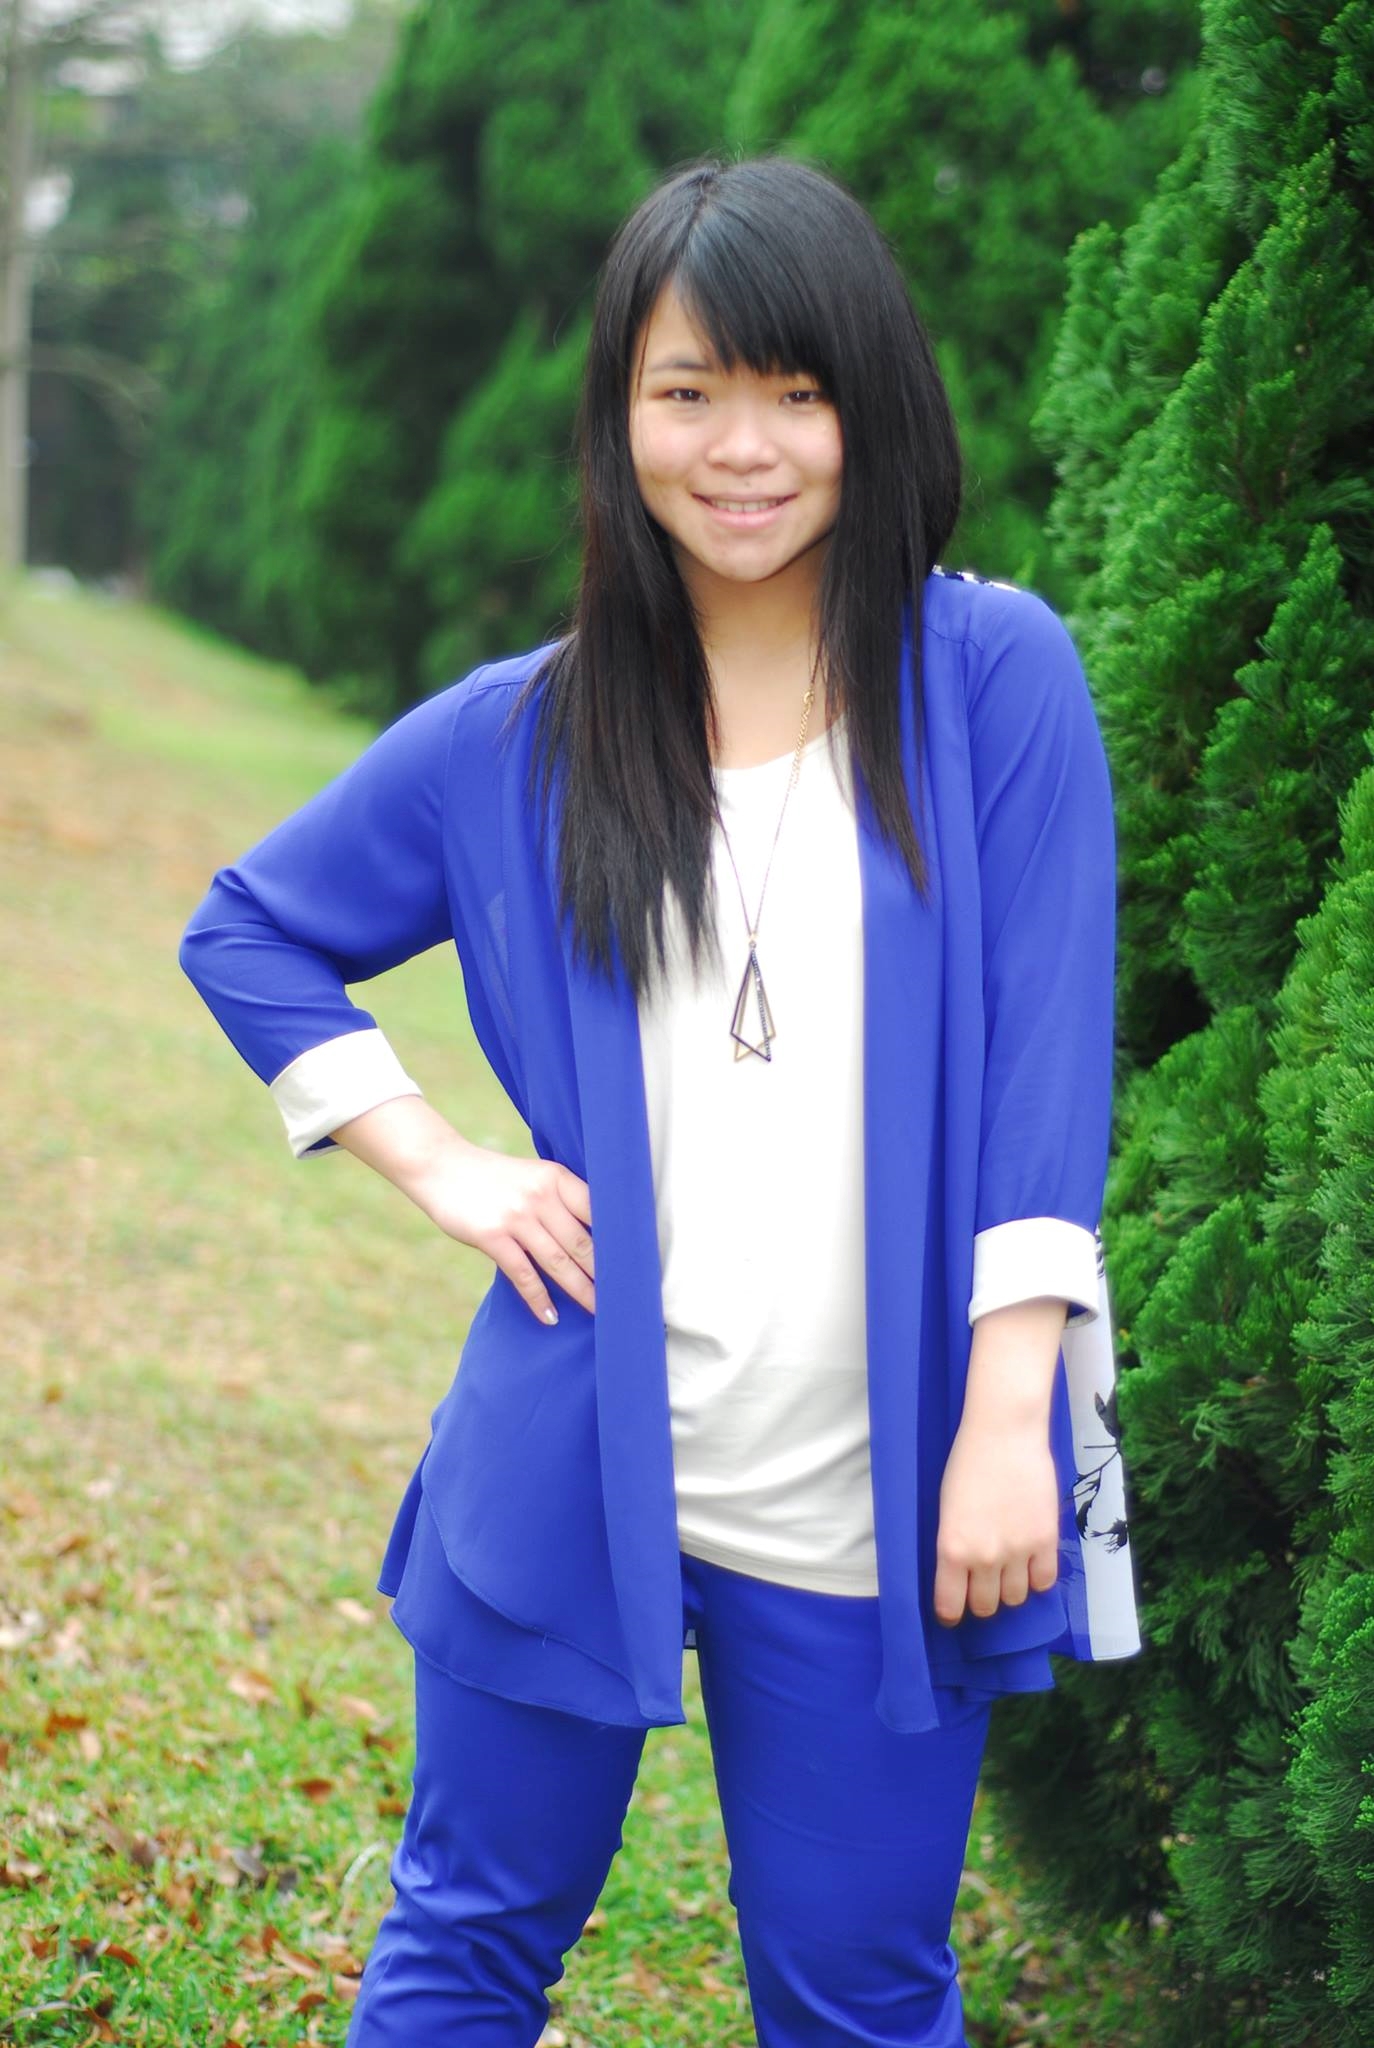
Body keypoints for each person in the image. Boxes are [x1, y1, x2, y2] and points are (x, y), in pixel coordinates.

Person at [178, 154, 1141, 2048]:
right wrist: (440, 1163)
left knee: (858, 1991)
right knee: (466, 1946)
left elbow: (1045, 1062)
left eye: (795, 390)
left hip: (883, 1487)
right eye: (686, 390)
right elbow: (250, 928)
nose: (742, 447)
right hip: (572, 1457)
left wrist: (1005, 1419)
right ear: (620, 413)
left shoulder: (990, 677)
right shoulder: (519, 732)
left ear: (872, 404)